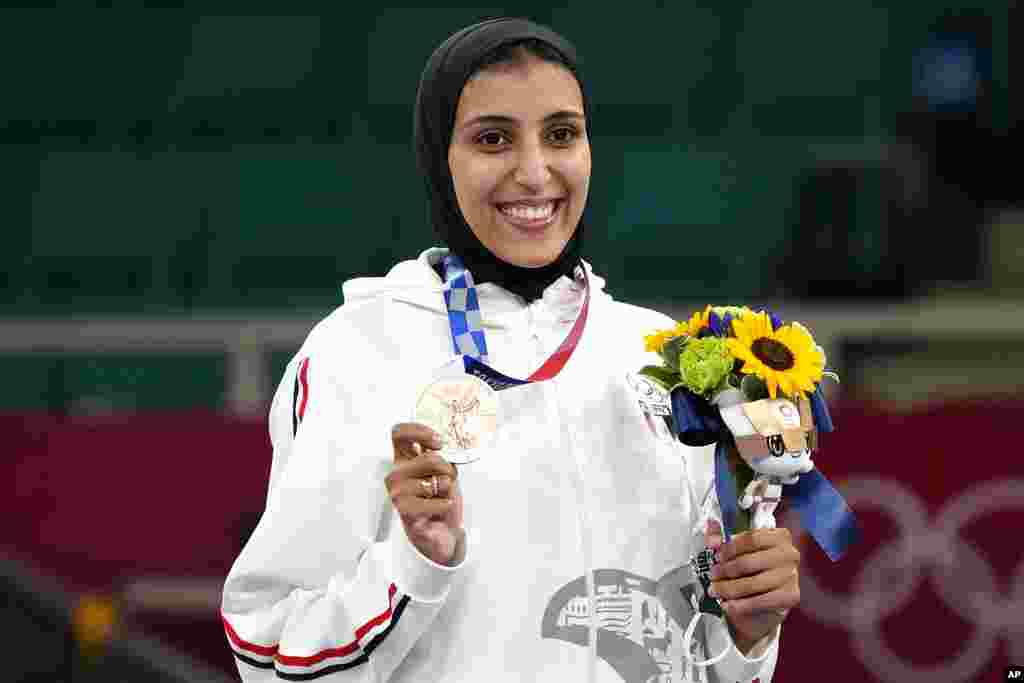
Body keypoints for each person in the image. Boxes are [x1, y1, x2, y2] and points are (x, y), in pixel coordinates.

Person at [221, 18, 800, 682]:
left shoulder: (661, 357)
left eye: (562, 134)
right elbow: (266, 653)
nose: (534, 172)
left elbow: (693, 635)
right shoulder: (357, 355)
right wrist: (411, 565)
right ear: (440, 157)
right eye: (493, 138)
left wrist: (745, 630)